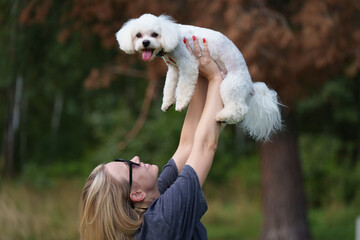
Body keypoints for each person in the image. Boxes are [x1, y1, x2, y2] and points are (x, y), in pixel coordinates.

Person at [80, 36, 224, 240]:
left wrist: (197, 71)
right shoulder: (161, 222)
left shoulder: (152, 200)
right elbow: (206, 146)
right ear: (136, 194)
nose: (136, 158)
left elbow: (187, 146)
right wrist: (215, 79)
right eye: (130, 165)